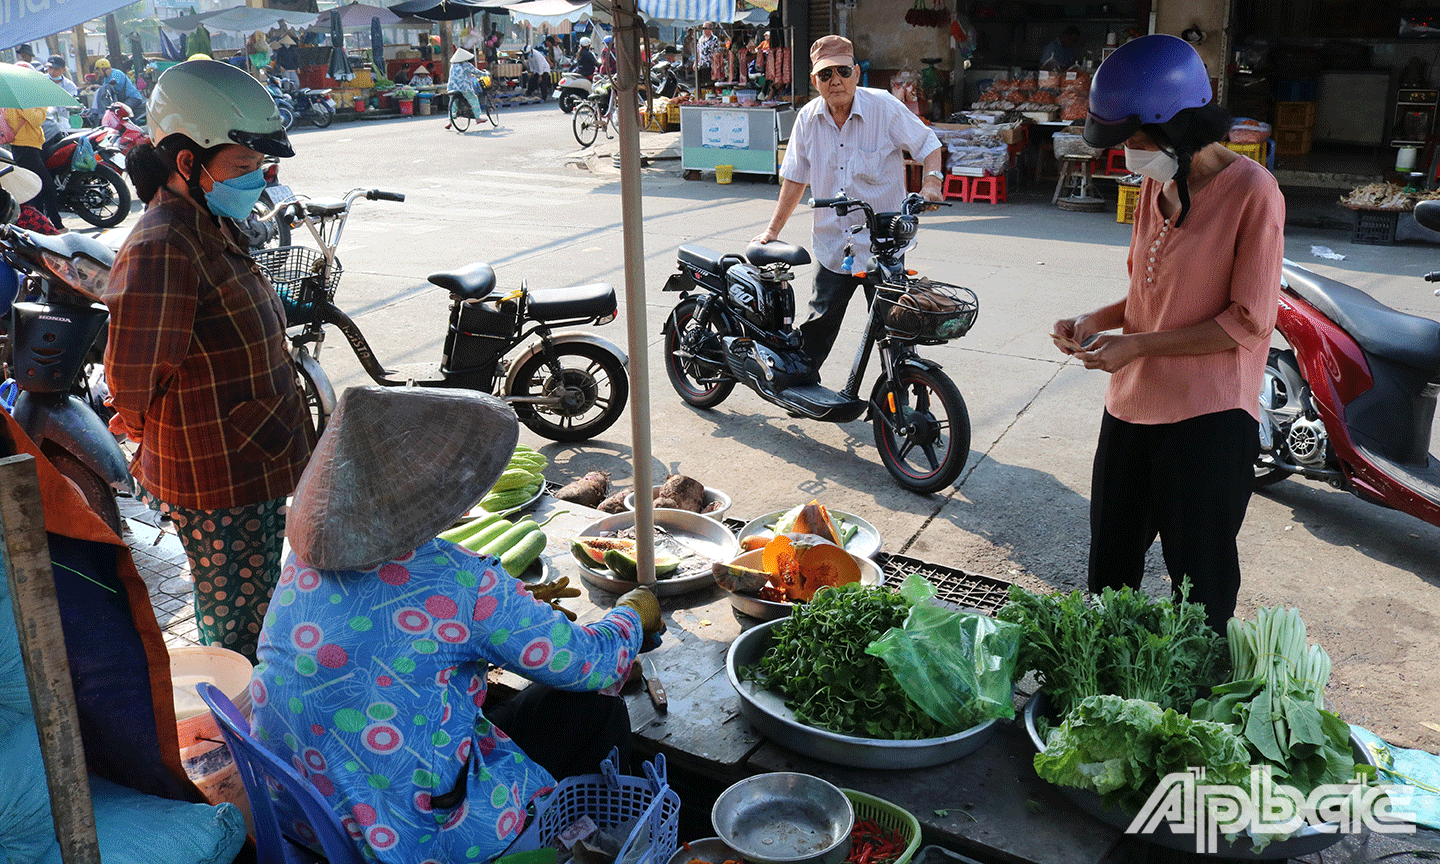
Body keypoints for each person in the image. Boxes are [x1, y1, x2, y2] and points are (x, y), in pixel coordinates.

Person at [252, 384, 666, 864]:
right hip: (413, 837)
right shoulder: (463, 583)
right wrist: (633, 613)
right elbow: (589, 663)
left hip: (306, 816)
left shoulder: (301, 564)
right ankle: (584, 843)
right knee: (600, 706)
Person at [1051, 34, 1284, 632]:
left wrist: (1138, 346)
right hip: (1131, 408)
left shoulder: (1253, 194)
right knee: (1109, 575)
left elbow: (1249, 321)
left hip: (1207, 421)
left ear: (1176, 126)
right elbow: (1151, 294)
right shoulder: (1157, 182)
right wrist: (1098, 320)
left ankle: (1189, 717)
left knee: (1198, 592)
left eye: (1135, 139)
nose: (1128, 155)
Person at [103, 59, 313, 663]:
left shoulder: (208, 221)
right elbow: (133, 376)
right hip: (217, 478)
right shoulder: (163, 244)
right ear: (188, 163)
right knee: (235, 626)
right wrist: (139, 428)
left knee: (261, 603)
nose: (258, 179)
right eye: (243, 167)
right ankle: (238, 727)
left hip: (253, 458)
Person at [751, 35, 943, 372]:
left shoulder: (883, 107)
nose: (835, 80)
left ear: (856, 73)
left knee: (896, 332)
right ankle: (802, 386)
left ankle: (902, 403)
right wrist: (772, 230)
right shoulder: (808, 118)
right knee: (817, 328)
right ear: (815, 81)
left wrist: (931, 183)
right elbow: (795, 178)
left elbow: (928, 144)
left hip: (883, 246)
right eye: (825, 75)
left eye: (842, 71)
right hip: (834, 244)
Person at [2, 104, 64, 230]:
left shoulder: (16, 104)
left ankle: (41, 226)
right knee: (47, 186)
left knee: (37, 189)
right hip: (25, 148)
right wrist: (43, 107)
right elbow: (36, 120)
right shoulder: (21, 104)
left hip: (30, 147)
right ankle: (55, 225)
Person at [444, 48, 485, 128]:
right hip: (464, 88)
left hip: (451, 88)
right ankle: (478, 118)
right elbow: (477, 72)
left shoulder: (453, 65)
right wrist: (485, 74)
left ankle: (450, 120)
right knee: (474, 99)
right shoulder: (466, 65)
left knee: (452, 103)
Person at [43, 56, 80, 127]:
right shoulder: (40, 81)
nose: (52, 71)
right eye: (50, 68)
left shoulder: (70, 86)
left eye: (56, 69)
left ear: (63, 70)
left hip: (62, 122)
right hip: (43, 120)